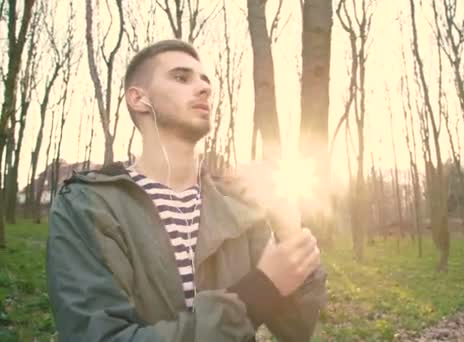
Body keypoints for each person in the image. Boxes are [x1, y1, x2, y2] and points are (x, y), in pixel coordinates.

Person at [46, 39, 327, 342]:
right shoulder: (87, 206)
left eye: (206, 81)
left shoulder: (238, 209)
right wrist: (255, 295)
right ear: (139, 99)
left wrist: (287, 225)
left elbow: (296, 328)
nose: (205, 89)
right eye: (181, 78)